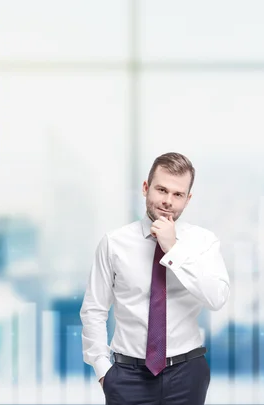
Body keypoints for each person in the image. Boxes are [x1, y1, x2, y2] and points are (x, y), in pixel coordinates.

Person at [80, 152, 230, 405]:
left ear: (187, 199)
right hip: (127, 376)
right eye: (162, 190)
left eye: (177, 194)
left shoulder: (203, 242)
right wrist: (103, 370)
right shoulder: (114, 243)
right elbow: (94, 309)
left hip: (187, 373)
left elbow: (217, 298)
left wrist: (174, 250)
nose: (168, 201)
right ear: (145, 188)